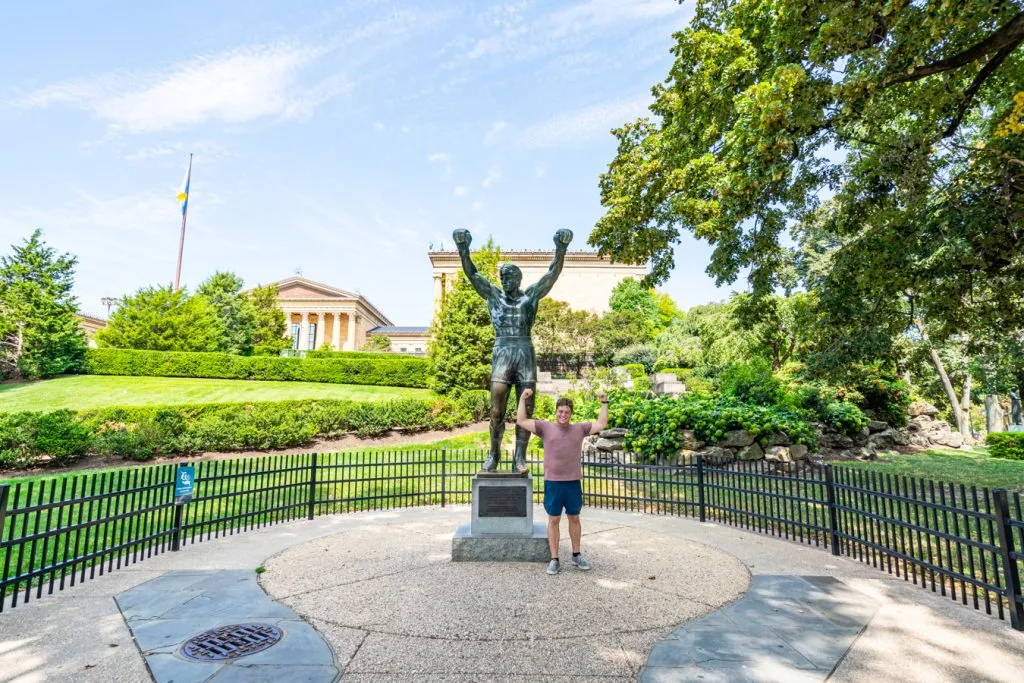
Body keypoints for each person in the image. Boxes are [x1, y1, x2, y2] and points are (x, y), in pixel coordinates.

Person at [453, 227, 572, 473]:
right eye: (503, 277)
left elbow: (552, 274)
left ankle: (520, 458)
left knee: (526, 410)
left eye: (509, 277)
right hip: (502, 352)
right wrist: (463, 249)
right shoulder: (494, 297)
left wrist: (560, 249)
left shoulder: (530, 297)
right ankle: (494, 454)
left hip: (525, 352)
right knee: (496, 410)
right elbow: (473, 274)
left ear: (518, 279)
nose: (505, 281)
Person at [516, 387, 608, 575]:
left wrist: (604, 402)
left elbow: (602, 423)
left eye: (567, 412)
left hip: (573, 482)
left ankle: (576, 554)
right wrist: (522, 399)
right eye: (560, 411)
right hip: (553, 482)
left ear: (571, 413)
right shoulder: (545, 427)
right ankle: (554, 559)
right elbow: (521, 420)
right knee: (554, 519)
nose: (563, 414)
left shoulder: (579, 429)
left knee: (574, 518)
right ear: (556, 411)